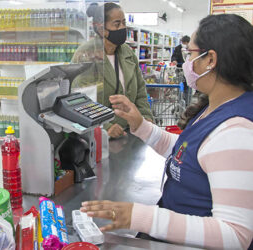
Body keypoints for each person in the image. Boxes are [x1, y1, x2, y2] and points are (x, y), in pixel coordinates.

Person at [81, 14, 253, 249]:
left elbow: (234, 235)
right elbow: (188, 153)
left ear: (210, 59)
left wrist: (142, 217)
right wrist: (141, 125)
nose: (187, 62)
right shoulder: (216, 107)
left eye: (191, 54)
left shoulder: (237, 132)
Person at [71, 3, 153, 138]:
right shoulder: (85, 54)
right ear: (101, 29)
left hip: (131, 132)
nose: (123, 28)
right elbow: (81, 101)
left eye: (124, 23)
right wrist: (106, 127)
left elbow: (140, 91)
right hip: (98, 136)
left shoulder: (127, 52)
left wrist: (145, 118)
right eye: (117, 24)